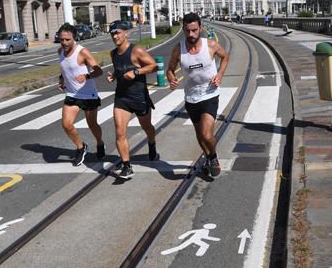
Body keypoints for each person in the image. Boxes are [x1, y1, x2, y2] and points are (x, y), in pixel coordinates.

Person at [166, 12, 229, 177]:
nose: (191, 34)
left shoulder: (211, 45)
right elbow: (170, 70)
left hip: (209, 94)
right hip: (191, 98)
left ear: (200, 28)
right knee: (200, 136)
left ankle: (213, 157)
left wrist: (220, 75)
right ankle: (208, 156)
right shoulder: (178, 49)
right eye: (187, 31)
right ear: (183, 29)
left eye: (194, 30)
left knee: (207, 135)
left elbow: (225, 57)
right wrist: (171, 79)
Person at [106, 21, 158, 180]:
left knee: (147, 127)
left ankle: (151, 143)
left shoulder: (137, 51)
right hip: (122, 98)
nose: (115, 36)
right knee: (120, 131)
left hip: (139, 97)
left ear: (125, 33)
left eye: (118, 33)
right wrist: (114, 76)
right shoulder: (113, 54)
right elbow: (119, 69)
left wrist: (136, 72)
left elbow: (154, 66)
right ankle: (127, 165)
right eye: (112, 34)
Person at [57, 22, 105, 166]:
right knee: (66, 124)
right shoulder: (60, 51)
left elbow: (99, 71)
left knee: (92, 125)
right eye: (62, 39)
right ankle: (81, 147)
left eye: (67, 40)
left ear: (74, 38)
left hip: (88, 94)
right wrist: (61, 79)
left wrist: (87, 76)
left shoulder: (82, 52)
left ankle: (100, 143)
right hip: (72, 94)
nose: (64, 43)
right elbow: (65, 68)